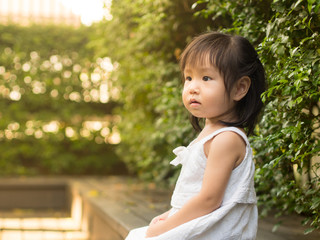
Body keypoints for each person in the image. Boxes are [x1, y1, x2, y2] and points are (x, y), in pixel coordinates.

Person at [125, 31, 266, 240]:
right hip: (200, 221)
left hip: (215, 230)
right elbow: (193, 195)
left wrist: (166, 227)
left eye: (206, 78)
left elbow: (209, 200)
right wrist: (167, 216)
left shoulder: (227, 139)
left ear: (239, 88)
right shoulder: (211, 133)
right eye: (189, 77)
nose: (192, 88)